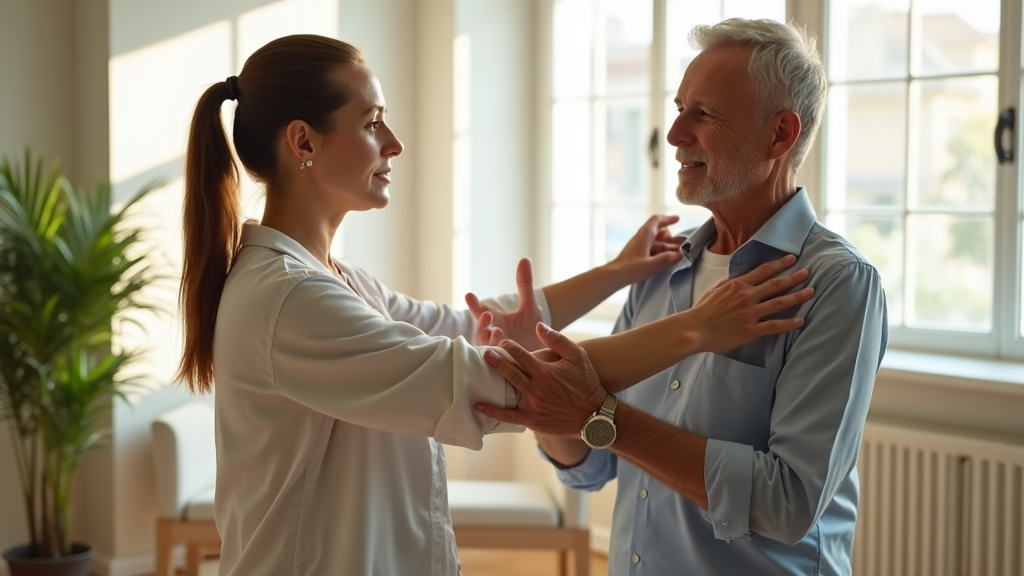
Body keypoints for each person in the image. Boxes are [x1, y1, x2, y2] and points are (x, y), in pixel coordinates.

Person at [176, 34, 814, 576]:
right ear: (303, 143)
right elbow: (481, 382)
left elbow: (462, 327)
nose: (393, 143)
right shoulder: (289, 299)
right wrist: (695, 330)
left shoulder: (332, 281)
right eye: (372, 124)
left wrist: (616, 273)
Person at [477, 18, 888, 576]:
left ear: (780, 134)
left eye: (705, 113)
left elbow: (787, 502)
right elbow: (592, 466)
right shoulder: (658, 271)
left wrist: (599, 413)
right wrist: (546, 396)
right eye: (678, 108)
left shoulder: (836, 285)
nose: (673, 134)